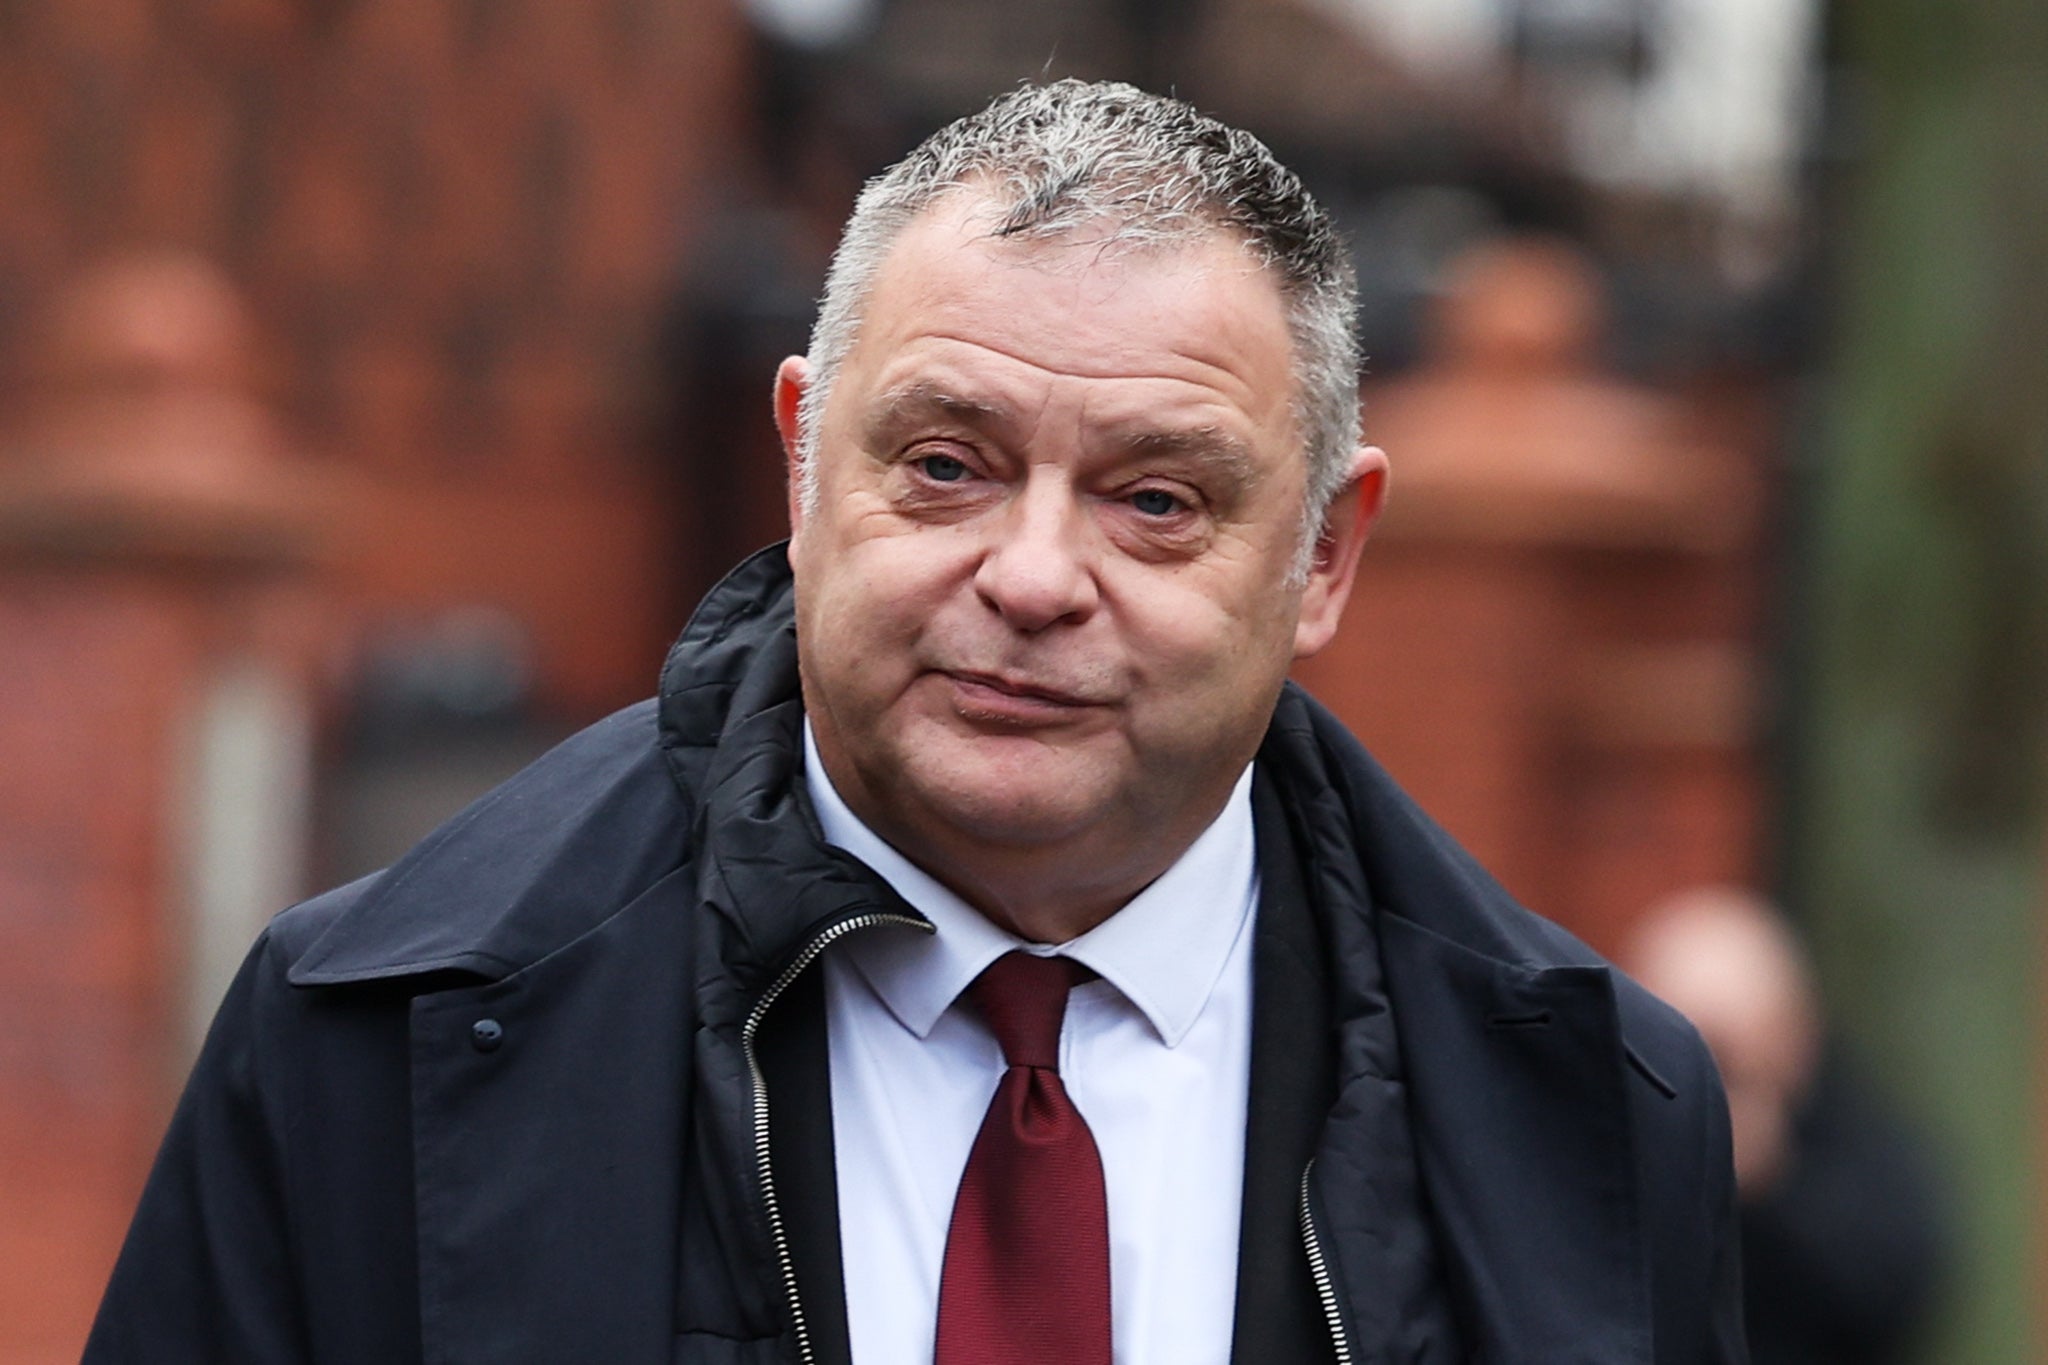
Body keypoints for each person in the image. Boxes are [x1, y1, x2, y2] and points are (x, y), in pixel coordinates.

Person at [88, 81, 1744, 1363]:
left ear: (1322, 556)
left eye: (1155, 499)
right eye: (946, 465)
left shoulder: (1588, 1115)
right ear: (805, 465)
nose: (1033, 576)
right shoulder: (369, 1040)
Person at [1625, 887, 1947, 1365]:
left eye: (1724, 1051)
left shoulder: (1849, 1131)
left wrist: (1773, 1186)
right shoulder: (1613, 1135)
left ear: (1792, 1029)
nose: (1707, 1078)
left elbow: (1894, 1290)